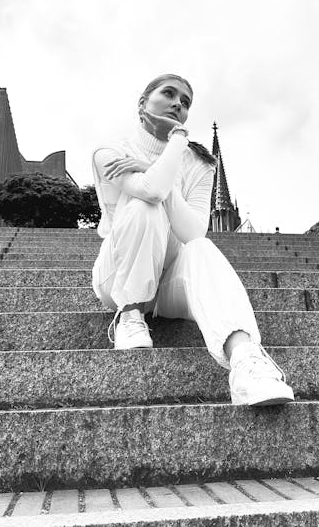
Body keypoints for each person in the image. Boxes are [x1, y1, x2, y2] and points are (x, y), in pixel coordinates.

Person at [91, 74, 294, 407]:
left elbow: (194, 233)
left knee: (201, 247)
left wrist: (173, 150)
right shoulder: (111, 151)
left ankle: (245, 360)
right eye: (168, 94)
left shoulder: (199, 163)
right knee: (147, 208)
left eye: (185, 102)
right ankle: (129, 315)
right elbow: (151, 190)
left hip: (170, 282)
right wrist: (174, 145)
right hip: (119, 276)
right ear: (143, 103)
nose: (177, 104)